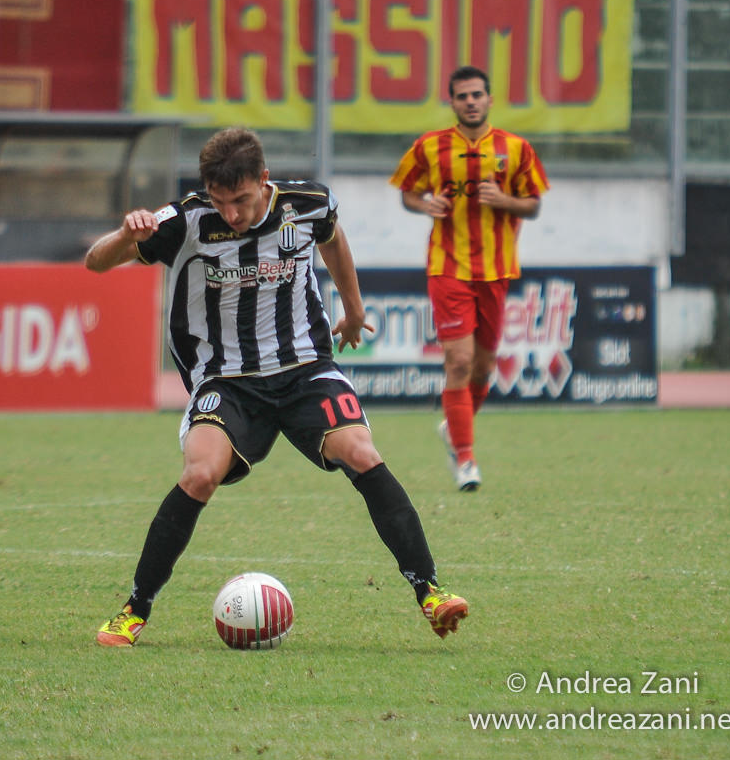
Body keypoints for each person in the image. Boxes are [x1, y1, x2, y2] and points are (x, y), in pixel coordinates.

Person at [85, 126, 468, 647]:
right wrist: (128, 235)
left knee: (360, 451)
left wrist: (353, 310)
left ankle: (430, 592)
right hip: (228, 380)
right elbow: (97, 262)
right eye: (221, 202)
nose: (232, 214)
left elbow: (333, 239)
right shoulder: (187, 220)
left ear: (263, 181)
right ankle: (134, 610)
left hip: (305, 369)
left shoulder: (307, 204)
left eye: (241, 200)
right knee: (199, 474)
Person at [390, 65, 549, 491]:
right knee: (458, 362)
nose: (471, 101)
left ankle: (453, 429)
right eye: (463, 96)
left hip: (497, 271)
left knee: (483, 367)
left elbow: (533, 205)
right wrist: (427, 205)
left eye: (478, 94)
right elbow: (407, 191)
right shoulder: (430, 147)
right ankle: (465, 460)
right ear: (453, 102)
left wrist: (505, 200)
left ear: (489, 99)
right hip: (449, 267)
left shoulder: (516, 148)